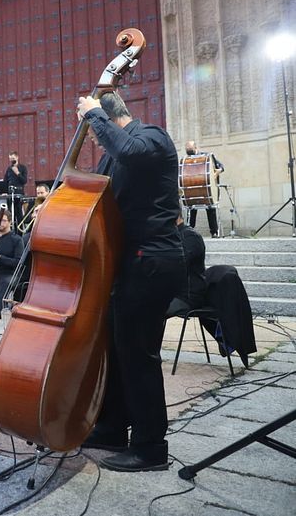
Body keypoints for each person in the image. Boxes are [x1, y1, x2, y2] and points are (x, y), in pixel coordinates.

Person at [77, 91, 185, 472]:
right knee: (118, 350)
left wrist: (94, 115)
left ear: (109, 117)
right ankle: (111, 428)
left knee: (139, 356)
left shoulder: (152, 138)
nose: (93, 137)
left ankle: (151, 447)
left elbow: (129, 151)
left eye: (95, 128)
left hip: (153, 261)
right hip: (128, 264)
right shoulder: (115, 154)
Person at [166, 215, 206, 317]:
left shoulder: (190, 237)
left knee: (148, 309)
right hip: (172, 293)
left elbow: (178, 265)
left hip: (187, 297)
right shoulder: (171, 236)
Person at [184, 140, 224, 238]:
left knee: (210, 207)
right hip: (193, 187)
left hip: (207, 188)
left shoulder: (207, 157)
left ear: (196, 148)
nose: (189, 152)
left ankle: (214, 232)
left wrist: (215, 173)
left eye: (191, 150)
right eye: (188, 151)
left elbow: (221, 167)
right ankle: (190, 231)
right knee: (191, 207)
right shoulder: (187, 160)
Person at [3, 151, 28, 223]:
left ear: (17, 157)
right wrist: (4, 191)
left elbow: (24, 181)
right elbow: (5, 181)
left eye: (13, 158)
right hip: (10, 194)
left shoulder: (23, 168)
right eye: (10, 159)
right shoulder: (9, 169)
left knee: (19, 214)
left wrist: (18, 173)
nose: (12, 160)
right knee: (11, 214)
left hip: (19, 193)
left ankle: (19, 233)